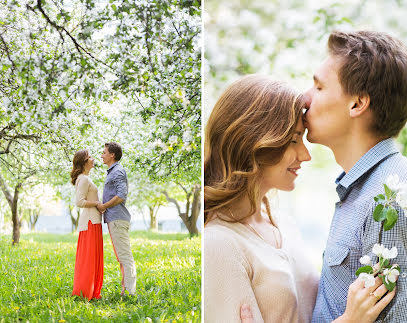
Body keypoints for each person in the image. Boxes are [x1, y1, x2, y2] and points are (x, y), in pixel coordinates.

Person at [204, 75, 395, 323]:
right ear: (253, 141)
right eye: (293, 139)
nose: (305, 155)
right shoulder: (219, 244)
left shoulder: (284, 225)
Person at [303, 30, 407, 322]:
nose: (305, 97)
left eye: (319, 87)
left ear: (357, 104)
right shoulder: (361, 188)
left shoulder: (389, 199)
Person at [97, 142, 137, 296]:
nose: (102, 155)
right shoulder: (113, 171)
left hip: (118, 219)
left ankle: (129, 292)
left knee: (125, 256)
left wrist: (104, 205)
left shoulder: (118, 171)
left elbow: (121, 195)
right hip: (114, 219)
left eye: (104, 152)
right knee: (121, 256)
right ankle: (125, 290)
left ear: (112, 155)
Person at [71, 150, 104, 300]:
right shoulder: (83, 179)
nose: (93, 159)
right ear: (84, 161)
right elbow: (79, 202)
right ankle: (85, 292)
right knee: (89, 259)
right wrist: (97, 203)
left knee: (93, 258)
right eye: (90, 157)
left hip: (93, 221)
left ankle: (92, 292)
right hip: (90, 222)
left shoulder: (85, 178)